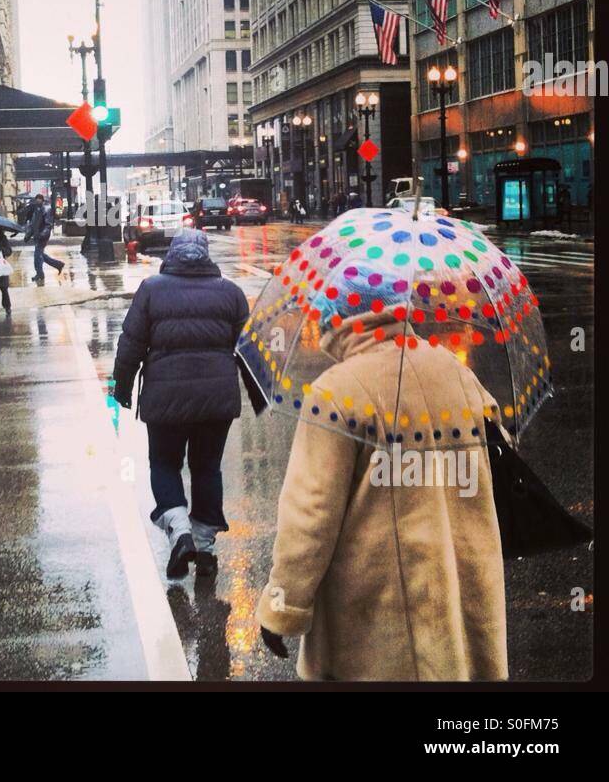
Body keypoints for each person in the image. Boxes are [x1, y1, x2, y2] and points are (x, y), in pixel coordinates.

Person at [255, 276, 509, 681]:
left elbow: (310, 513)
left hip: (377, 616)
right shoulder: (453, 371)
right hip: (459, 601)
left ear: (339, 316)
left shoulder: (336, 392)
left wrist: (284, 605)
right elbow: (497, 460)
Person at [112, 229, 251, 580]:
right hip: (217, 400)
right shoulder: (231, 294)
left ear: (172, 255)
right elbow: (250, 351)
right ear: (206, 256)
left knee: (164, 463)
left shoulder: (151, 290)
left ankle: (180, 532)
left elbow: (131, 343)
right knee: (207, 468)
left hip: (164, 396)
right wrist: (257, 391)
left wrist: (122, 388)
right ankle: (204, 547)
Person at [25, 193, 65, 284]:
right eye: (37, 199)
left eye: (40, 199)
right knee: (41, 255)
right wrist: (28, 235)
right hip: (37, 236)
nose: (38, 201)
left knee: (37, 256)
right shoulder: (36, 211)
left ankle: (40, 274)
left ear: (42, 201)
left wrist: (42, 234)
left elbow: (48, 225)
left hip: (42, 237)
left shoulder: (46, 210)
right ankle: (58, 264)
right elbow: (32, 225)